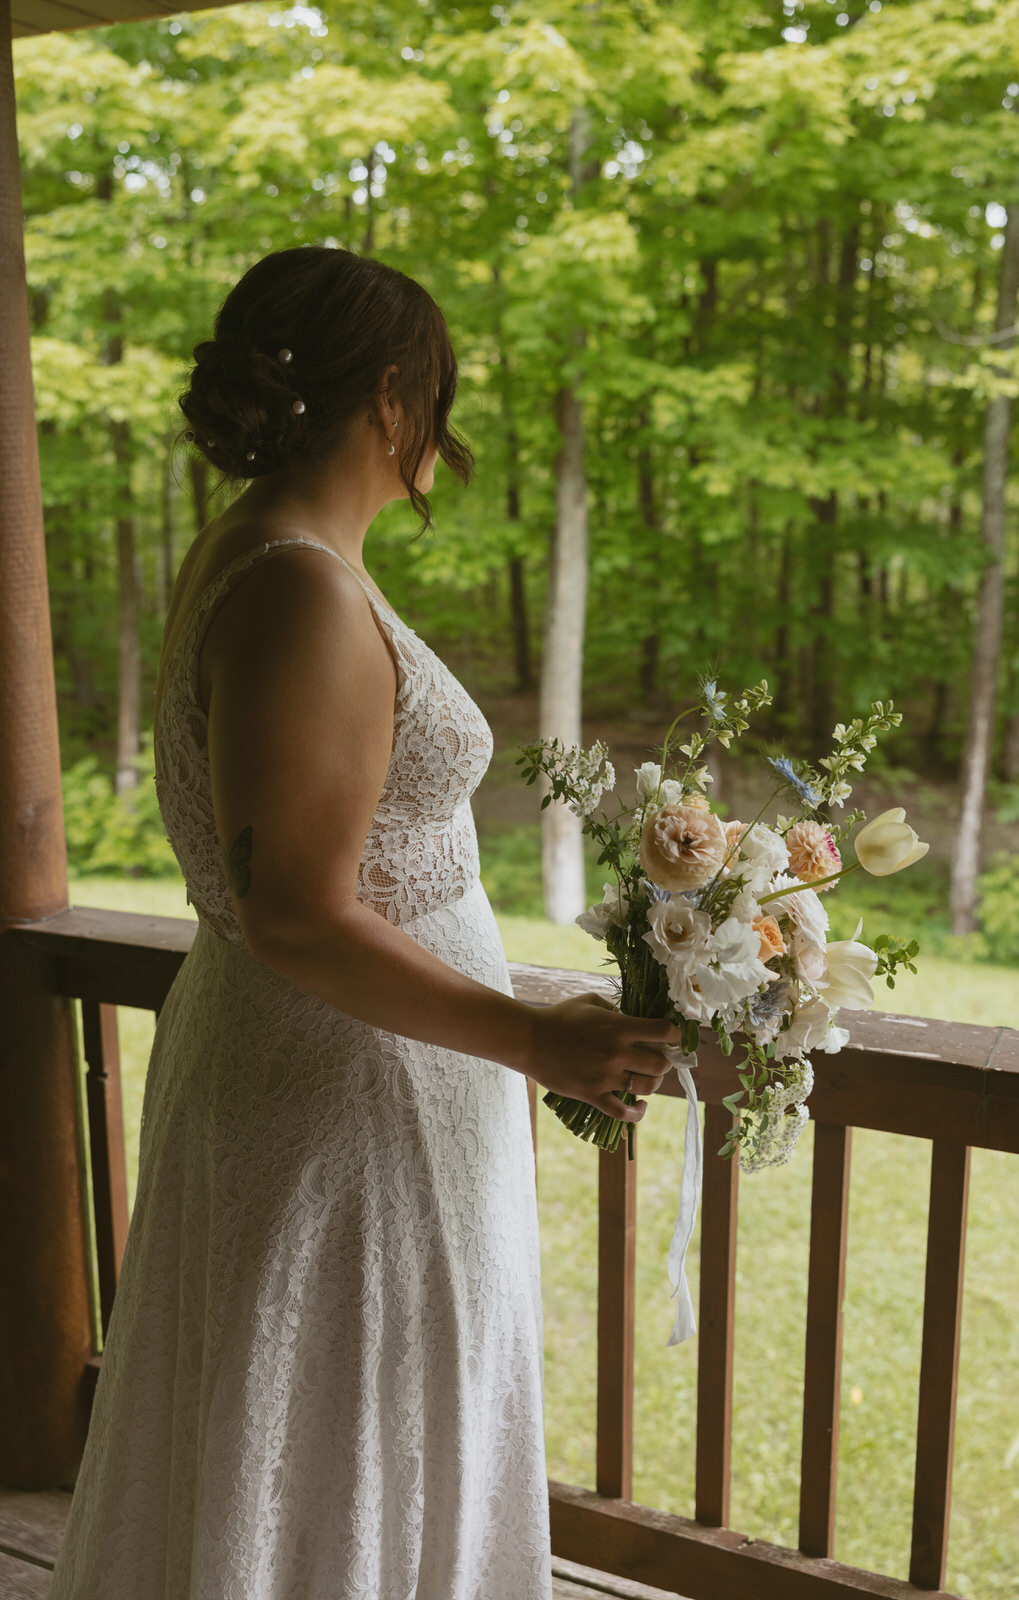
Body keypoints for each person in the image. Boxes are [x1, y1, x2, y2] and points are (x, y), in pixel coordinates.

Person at [47, 245, 678, 1600]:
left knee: (340, 1438)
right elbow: (300, 915)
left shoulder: (265, 554)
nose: (438, 443)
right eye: (436, 401)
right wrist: (534, 1039)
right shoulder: (301, 586)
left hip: (340, 1072)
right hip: (349, 1098)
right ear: (393, 397)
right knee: (351, 1434)